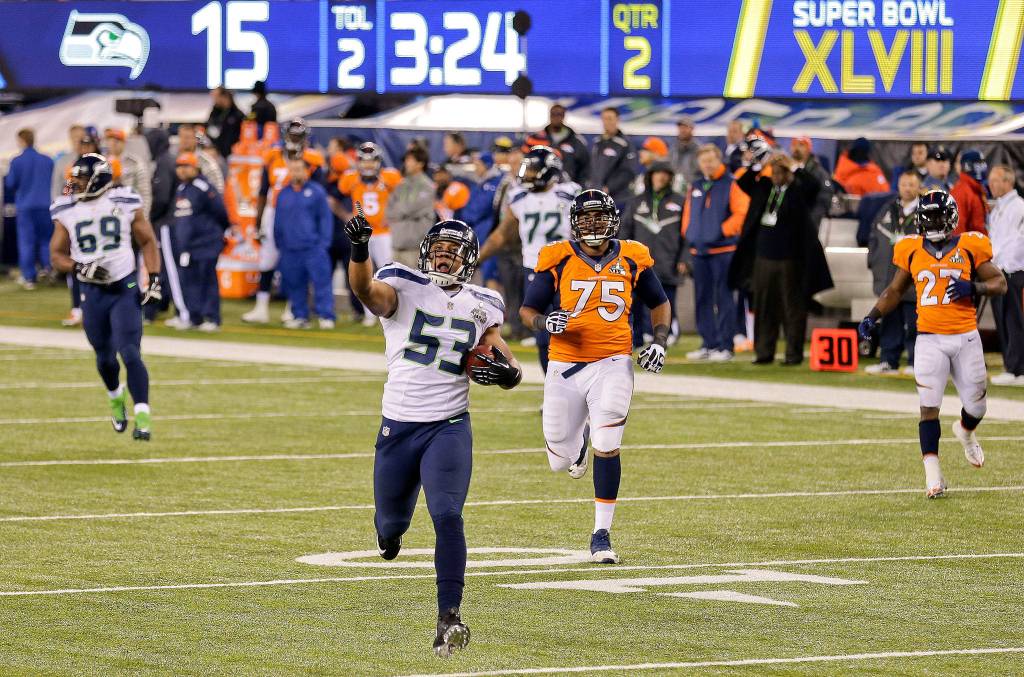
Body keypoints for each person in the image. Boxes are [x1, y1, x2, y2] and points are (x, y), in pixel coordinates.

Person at [342, 212, 521, 658]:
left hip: (450, 425)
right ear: (425, 254)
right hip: (399, 427)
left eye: (452, 252)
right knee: (390, 525)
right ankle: (391, 534)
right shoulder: (402, 283)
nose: (444, 259)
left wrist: (508, 375)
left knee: (447, 515)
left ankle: (449, 616)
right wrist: (360, 248)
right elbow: (365, 290)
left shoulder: (484, 303)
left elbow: (506, 360)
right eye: (438, 251)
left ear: (470, 259)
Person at [520, 189, 670, 565]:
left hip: (614, 362)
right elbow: (527, 309)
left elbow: (660, 303)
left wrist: (660, 341)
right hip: (565, 365)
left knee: (609, 439)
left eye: (598, 218)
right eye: (585, 220)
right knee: (559, 458)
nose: (592, 226)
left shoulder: (633, 256)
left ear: (612, 221)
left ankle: (601, 533)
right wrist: (543, 322)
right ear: (574, 223)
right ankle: (577, 443)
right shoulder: (558, 257)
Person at [858, 190, 1007, 497]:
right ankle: (933, 477)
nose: (935, 222)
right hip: (928, 339)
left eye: (939, 216)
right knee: (928, 408)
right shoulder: (911, 248)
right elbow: (895, 290)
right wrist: (873, 316)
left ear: (951, 218)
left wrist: (974, 286)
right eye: (929, 217)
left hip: (965, 337)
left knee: (977, 406)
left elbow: (1000, 283)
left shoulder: (970, 245)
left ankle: (966, 432)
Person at [48, 154, 162, 440]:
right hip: (92, 292)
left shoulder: (124, 201)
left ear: (97, 180)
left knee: (130, 351)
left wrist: (155, 279)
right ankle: (115, 398)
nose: (75, 184)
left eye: (81, 179)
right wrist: (79, 266)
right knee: (104, 359)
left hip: (123, 287)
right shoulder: (67, 209)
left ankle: (144, 416)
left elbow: (147, 240)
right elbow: (56, 255)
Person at [477, 145, 580, 371]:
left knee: (571, 331)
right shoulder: (520, 197)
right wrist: (477, 259)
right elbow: (501, 235)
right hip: (535, 269)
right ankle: (553, 388)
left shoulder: (570, 193)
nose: (528, 174)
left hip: (568, 269)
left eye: (533, 169)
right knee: (543, 333)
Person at [730, 148, 832, 365]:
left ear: (788, 174)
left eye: (781, 172)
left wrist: (793, 165)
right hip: (763, 258)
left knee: (792, 308)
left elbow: (813, 186)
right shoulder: (764, 188)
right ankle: (763, 352)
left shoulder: (797, 191)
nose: (777, 176)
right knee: (764, 306)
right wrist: (760, 163)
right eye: (774, 172)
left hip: (791, 259)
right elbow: (743, 182)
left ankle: (793, 354)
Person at [242, 119, 326, 324]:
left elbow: (318, 194)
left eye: (298, 136)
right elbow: (263, 191)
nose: (295, 140)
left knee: (295, 262)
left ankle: (293, 308)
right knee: (267, 261)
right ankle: (261, 308)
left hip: (299, 214)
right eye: (292, 135)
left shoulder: (312, 160)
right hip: (273, 213)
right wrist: (258, 221)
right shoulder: (272, 156)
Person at [680, 145, 749, 360]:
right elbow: (688, 212)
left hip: (723, 250)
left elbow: (742, 212)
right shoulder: (697, 185)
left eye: (711, 160)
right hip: (699, 250)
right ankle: (708, 343)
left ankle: (725, 346)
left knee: (724, 298)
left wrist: (721, 231)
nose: (707, 164)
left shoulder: (731, 184)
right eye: (704, 161)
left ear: (719, 160)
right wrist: (689, 232)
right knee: (702, 298)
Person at [620, 162, 687, 346]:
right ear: (650, 176)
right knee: (635, 304)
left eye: (666, 173)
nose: (661, 177)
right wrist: (623, 257)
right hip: (639, 264)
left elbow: (687, 234)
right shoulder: (635, 201)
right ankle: (638, 338)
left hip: (668, 262)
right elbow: (625, 232)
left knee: (666, 301)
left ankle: (665, 336)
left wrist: (684, 259)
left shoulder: (681, 202)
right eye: (658, 173)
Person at [336, 142, 402, 325]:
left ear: (378, 161)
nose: (368, 165)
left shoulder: (390, 177)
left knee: (388, 272)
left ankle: (392, 309)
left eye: (371, 161)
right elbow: (333, 197)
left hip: (383, 233)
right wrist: (345, 215)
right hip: (361, 234)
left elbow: (402, 197)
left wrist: (393, 215)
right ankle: (368, 314)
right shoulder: (350, 179)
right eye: (364, 161)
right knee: (364, 274)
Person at [865, 171, 922, 375]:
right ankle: (888, 360)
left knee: (915, 323)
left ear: (918, 186)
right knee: (889, 319)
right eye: (904, 184)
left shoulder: (924, 211)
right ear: (898, 185)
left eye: (911, 184)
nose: (907, 188)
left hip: (913, 279)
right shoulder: (888, 209)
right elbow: (873, 235)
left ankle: (916, 362)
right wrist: (872, 260)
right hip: (889, 277)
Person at [276, 155, 336, 329]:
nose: (296, 173)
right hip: (290, 248)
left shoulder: (317, 191)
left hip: (313, 247)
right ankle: (300, 315)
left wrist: (323, 244)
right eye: (293, 169)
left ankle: (326, 315)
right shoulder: (283, 193)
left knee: (321, 282)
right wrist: (280, 242)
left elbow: (325, 219)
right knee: (294, 284)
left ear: (306, 171)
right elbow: (278, 221)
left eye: (299, 169)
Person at [174, 152, 229, 331]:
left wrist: (216, 234)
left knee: (207, 280)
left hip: (206, 242)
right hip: (188, 245)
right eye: (179, 166)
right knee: (190, 281)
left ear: (195, 168)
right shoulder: (182, 188)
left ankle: (212, 317)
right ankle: (194, 316)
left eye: (185, 166)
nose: (181, 170)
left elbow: (220, 212)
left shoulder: (204, 187)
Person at [986, 165, 1024, 386]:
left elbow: (1018, 241)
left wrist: (1004, 264)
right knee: (1003, 319)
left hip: (1012, 270)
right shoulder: (1000, 207)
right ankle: (1011, 366)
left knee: (1013, 319)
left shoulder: (1018, 207)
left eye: (996, 180)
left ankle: (1017, 367)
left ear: (1008, 181)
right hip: (999, 269)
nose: (992, 184)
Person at [4, 128, 55, 289]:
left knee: (27, 242)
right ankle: (49, 270)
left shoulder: (17, 161)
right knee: (47, 241)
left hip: (26, 206)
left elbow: (10, 184)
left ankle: (29, 277)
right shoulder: (47, 160)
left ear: (21, 141)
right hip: (46, 205)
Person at [143, 128, 182, 325]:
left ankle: (179, 311)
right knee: (165, 267)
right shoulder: (167, 159)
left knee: (165, 267)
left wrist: (150, 217)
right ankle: (161, 304)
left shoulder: (163, 162)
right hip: (171, 221)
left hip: (166, 222)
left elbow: (162, 196)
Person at [386, 145, 436, 268]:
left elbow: (409, 208)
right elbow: (389, 211)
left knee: (416, 286)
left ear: (420, 164)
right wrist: (402, 211)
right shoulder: (401, 185)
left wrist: (401, 211)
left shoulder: (427, 186)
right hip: (397, 245)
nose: (406, 163)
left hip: (415, 248)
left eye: (410, 160)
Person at [588, 106, 637, 207]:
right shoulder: (597, 143)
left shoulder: (625, 144)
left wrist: (609, 187)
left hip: (618, 198)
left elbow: (628, 171)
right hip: (597, 197)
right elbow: (592, 169)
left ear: (617, 120)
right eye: (604, 119)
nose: (607, 122)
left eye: (610, 118)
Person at [534, 104, 590, 184]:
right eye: (553, 114)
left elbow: (585, 166)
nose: (556, 117)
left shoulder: (576, 140)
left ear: (564, 116)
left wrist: (579, 186)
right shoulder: (538, 138)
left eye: (559, 114)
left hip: (569, 189)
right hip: (543, 188)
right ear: (549, 116)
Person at [104, 128, 152, 220]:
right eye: (110, 140)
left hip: (129, 211)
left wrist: (143, 219)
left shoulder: (134, 163)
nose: (113, 143)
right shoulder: (100, 163)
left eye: (117, 140)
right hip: (107, 213)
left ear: (124, 142)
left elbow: (145, 193)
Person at [789, 136, 834, 229]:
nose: (796, 148)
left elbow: (825, 197)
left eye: (801, 145)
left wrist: (812, 218)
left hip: (807, 221)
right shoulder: (786, 169)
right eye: (794, 144)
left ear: (808, 148)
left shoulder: (818, 172)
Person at [176, 123, 224, 192]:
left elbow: (218, 187)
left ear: (195, 140)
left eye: (187, 137)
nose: (184, 141)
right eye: (181, 137)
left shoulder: (205, 161)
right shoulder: (174, 158)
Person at [950, 150, 988, 235]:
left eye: (982, 163)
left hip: (980, 245)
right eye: (979, 164)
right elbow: (957, 230)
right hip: (969, 246)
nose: (983, 167)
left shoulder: (977, 189)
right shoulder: (960, 192)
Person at [205, 86, 244, 159]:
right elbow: (209, 129)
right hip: (216, 153)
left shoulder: (238, 115)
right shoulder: (214, 113)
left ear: (224, 97)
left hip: (232, 155)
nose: (214, 100)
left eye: (216, 97)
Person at [669, 115, 700, 192]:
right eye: (680, 127)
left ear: (692, 129)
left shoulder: (699, 149)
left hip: (692, 189)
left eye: (685, 127)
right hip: (673, 190)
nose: (682, 130)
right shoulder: (673, 147)